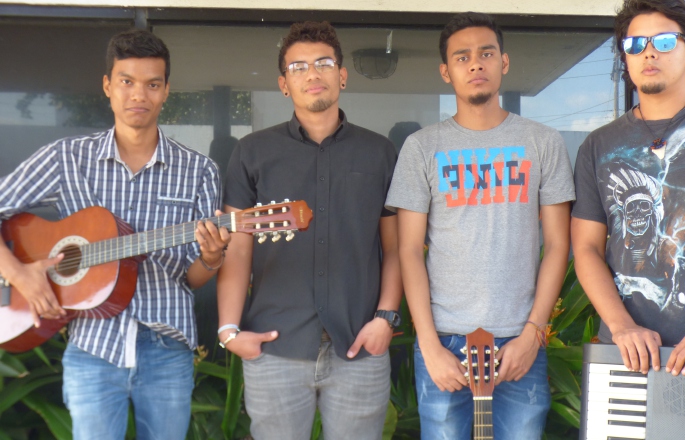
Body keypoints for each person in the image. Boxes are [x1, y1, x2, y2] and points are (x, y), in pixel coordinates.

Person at [0, 29, 229, 439]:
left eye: (152, 84)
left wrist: (211, 259)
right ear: (108, 86)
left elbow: (190, 279)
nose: (138, 94)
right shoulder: (67, 158)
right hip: (92, 348)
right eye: (126, 81)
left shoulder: (200, 172)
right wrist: (20, 274)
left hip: (167, 349)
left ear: (165, 92)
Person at [386, 12, 574, 440]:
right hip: (445, 342)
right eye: (462, 57)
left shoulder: (542, 142)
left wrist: (533, 335)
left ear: (503, 63)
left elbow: (558, 245)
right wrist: (429, 346)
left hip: (519, 341)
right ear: (446, 71)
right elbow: (409, 250)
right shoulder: (421, 148)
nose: (475, 64)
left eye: (486, 53)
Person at [571, 0, 685, 436]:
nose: (648, 52)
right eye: (635, 43)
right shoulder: (597, 145)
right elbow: (587, 248)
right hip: (629, 361)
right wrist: (621, 326)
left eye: (664, 40)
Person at [216, 21, 401, 440]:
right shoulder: (252, 153)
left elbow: (395, 248)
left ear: (342, 75)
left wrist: (386, 318)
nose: (312, 74)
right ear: (284, 84)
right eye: (298, 67)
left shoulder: (379, 152)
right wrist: (229, 331)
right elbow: (237, 248)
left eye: (323, 63)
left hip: (360, 346)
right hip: (275, 348)